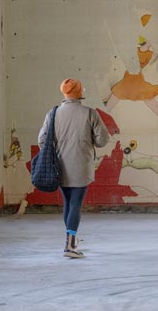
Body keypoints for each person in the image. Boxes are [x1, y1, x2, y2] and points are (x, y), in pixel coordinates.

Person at [39, 79, 111, 259]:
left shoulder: (53, 113)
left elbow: (42, 140)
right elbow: (102, 140)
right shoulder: (89, 113)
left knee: (68, 203)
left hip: (59, 166)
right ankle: (70, 246)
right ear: (79, 93)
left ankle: (72, 239)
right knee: (76, 204)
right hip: (81, 166)